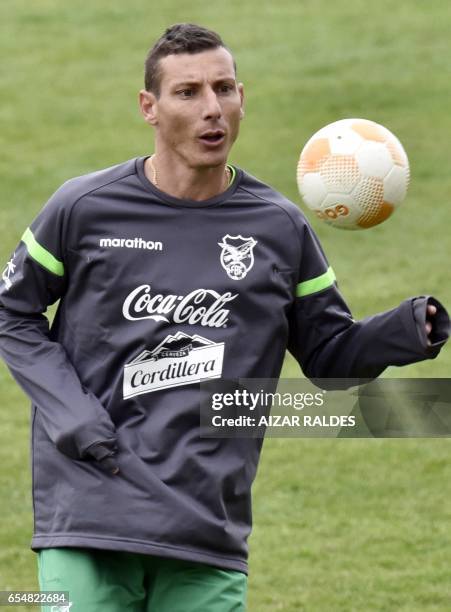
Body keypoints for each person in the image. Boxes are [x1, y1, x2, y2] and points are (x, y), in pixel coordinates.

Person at [0, 22, 449, 612]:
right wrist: (74, 418)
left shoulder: (279, 228)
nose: (212, 109)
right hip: (89, 517)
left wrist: (409, 328)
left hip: (206, 526)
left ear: (243, 98)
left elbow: (328, 356)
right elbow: (13, 314)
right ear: (149, 107)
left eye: (225, 89)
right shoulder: (85, 208)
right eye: (188, 92)